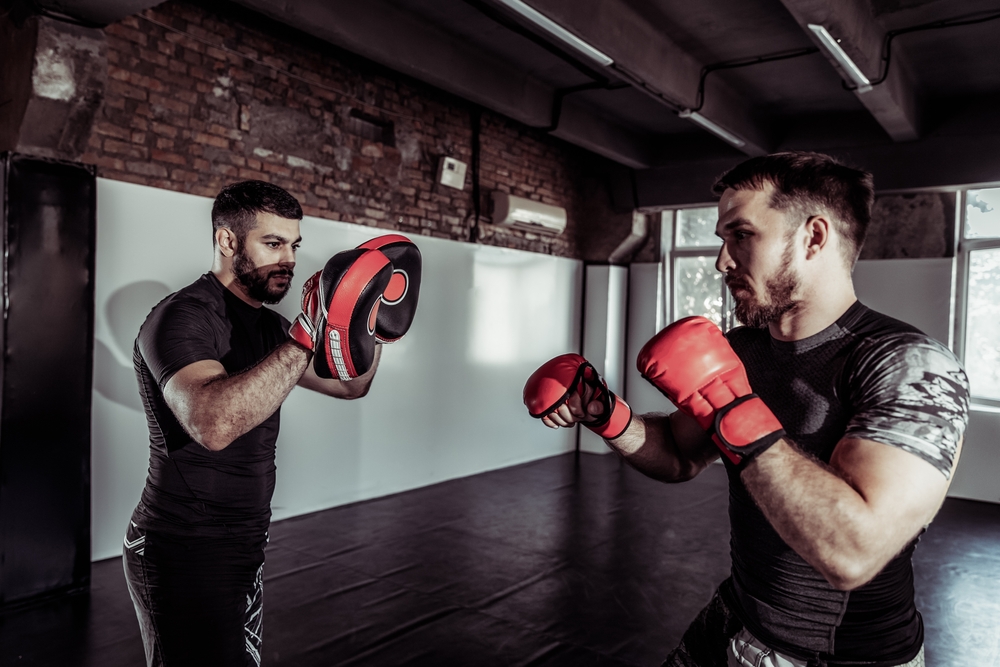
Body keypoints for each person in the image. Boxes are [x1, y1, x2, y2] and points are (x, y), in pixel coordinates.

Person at [524, 152, 969, 667]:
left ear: (814, 237)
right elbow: (678, 455)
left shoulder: (908, 364)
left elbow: (854, 552)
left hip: (842, 657)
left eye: (742, 234)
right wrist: (606, 414)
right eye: (722, 238)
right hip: (736, 619)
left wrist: (729, 403)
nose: (721, 260)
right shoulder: (745, 349)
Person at [123, 180, 388, 667]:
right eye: (272, 243)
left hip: (242, 542)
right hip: (181, 547)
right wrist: (308, 332)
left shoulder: (269, 327)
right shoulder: (182, 319)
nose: (288, 258)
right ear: (227, 241)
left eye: (294, 244)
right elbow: (213, 425)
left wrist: (372, 322)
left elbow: (350, 384)